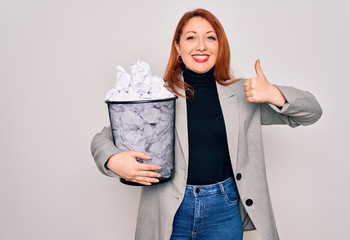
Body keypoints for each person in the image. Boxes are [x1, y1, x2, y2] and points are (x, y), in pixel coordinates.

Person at [91, 8, 322, 240]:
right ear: (178, 47)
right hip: (171, 210)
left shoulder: (243, 95)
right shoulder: (157, 94)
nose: (201, 46)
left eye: (210, 37)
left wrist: (274, 93)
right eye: (191, 37)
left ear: (219, 46)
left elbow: (311, 112)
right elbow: (104, 137)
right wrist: (112, 160)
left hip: (224, 209)